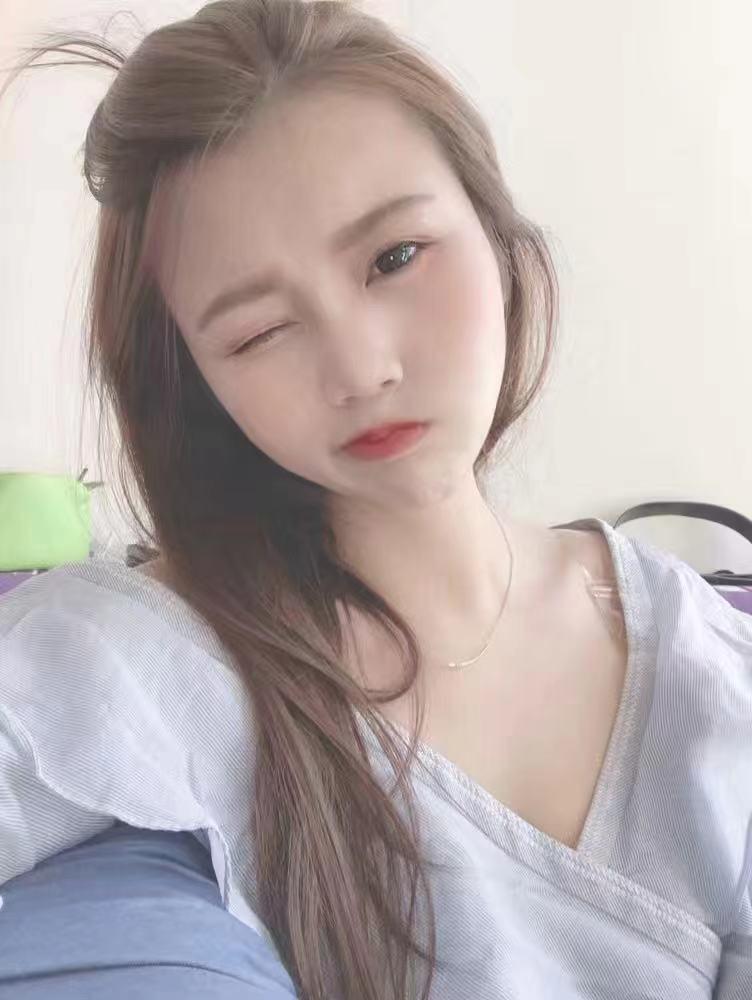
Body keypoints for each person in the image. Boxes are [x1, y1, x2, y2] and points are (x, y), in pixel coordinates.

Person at [0, 2, 750, 998]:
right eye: (259, 331)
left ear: (493, 229)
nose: (360, 370)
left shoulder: (714, 668)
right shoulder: (132, 658)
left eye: (395, 258)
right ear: (197, 382)